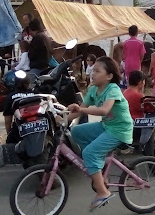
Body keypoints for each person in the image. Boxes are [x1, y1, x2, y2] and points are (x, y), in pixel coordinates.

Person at [57, 56, 133, 211]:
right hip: (106, 126)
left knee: (90, 153)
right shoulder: (93, 89)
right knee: (76, 131)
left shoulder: (113, 89)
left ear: (109, 76)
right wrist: (62, 120)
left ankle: (103, 191)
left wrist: (81, 109)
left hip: (120, 130)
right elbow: (79, 111)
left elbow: (103, 110)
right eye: (93, 70)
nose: (93, 73)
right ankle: (98, 163)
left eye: (98, 71)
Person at [3, 74, 35, 143]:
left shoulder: (11, 97)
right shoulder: (36, 94)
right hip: (37, 128)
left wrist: (9, 133)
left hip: (19, 131)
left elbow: (8, 121)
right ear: (28, 83)